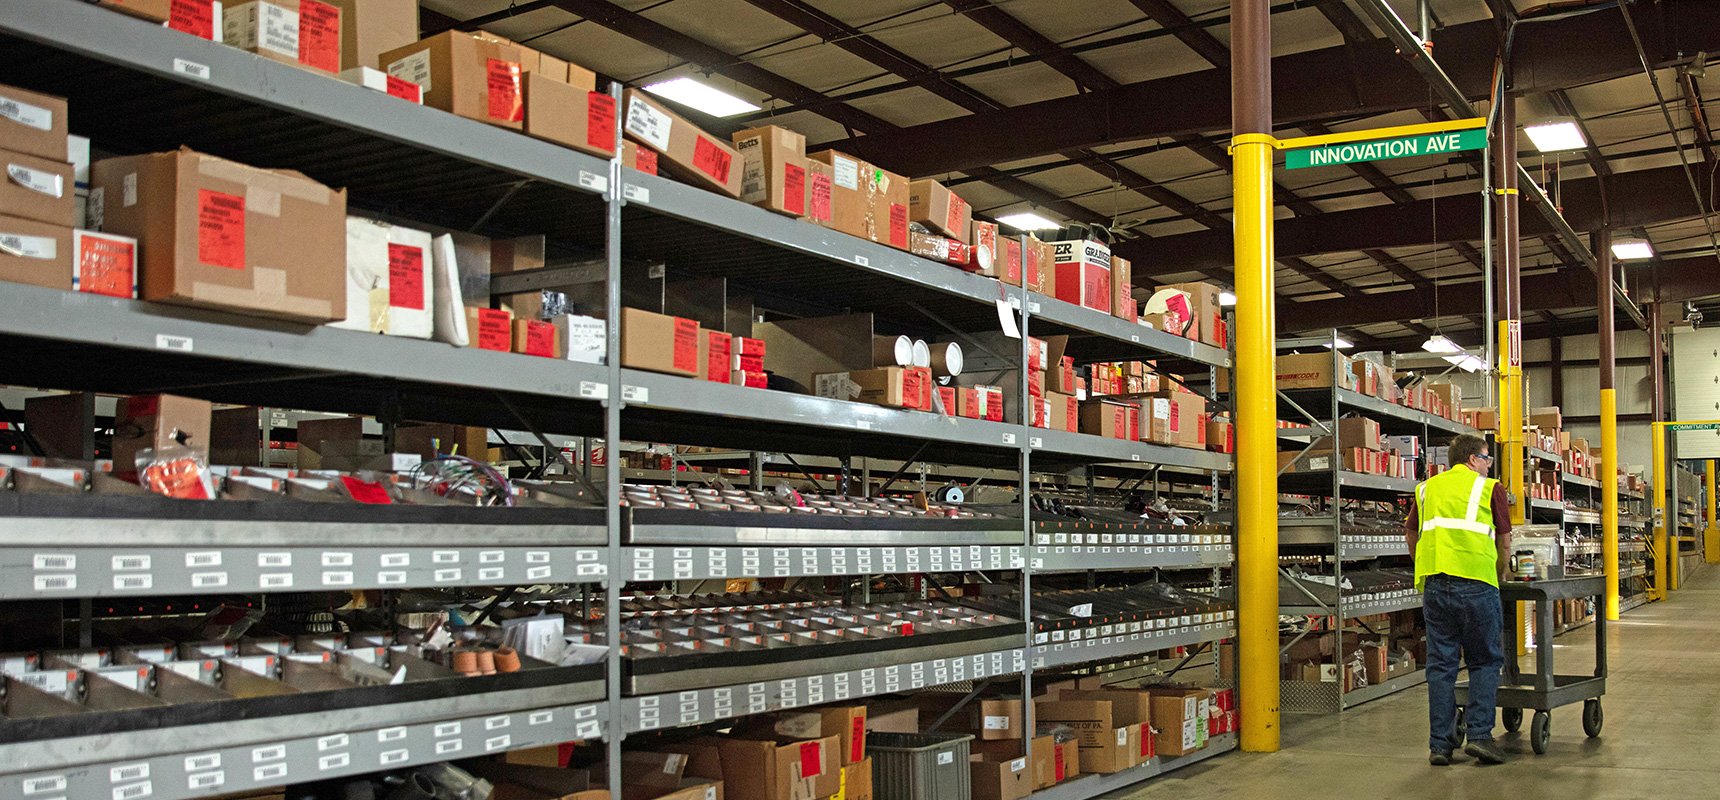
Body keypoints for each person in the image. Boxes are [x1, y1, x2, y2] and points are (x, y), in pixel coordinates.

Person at [1406, 432, 1513, 766]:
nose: (1488, 465)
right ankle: (1480, 736)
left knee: (1441, 667)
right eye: (1486, 458)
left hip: (1436, 586)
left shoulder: (1426, 488)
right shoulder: (1488, 487)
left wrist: (1423, 562)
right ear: (1472, 459)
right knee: (1484, 660)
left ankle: (1440, 745)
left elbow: (1410, 531)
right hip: (1477, 583)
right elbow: (1506, 539)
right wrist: (1501, 570)